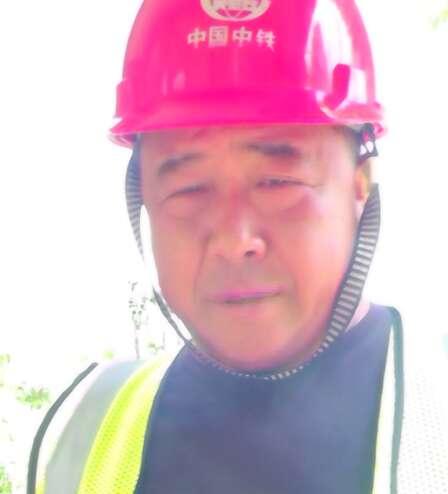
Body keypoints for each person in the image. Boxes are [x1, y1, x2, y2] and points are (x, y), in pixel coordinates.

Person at [27, 1, 448, 493]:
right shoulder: (79, 433)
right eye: (188, 189)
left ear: (360, 185)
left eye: (278, 181)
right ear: (143, 197)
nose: (232, 240)